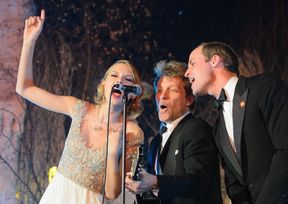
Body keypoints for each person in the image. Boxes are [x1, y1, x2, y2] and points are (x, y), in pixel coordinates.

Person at [16, 10, 144, 203]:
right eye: (114, 76)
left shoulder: (132, 132)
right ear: (103, 84)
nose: (120, 82)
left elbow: (113, 193)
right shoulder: (78, 108)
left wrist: (111, 155)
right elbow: (24, 88)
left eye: (128, 80)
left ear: (133, 93)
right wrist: (29, 42)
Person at [185, 41, 288, 204]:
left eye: (192, 63)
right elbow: (233, 183)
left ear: (215, 60)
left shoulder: (265, 87)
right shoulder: (218, 127)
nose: (187, 73)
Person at [125, 60, 222, 204]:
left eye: (172, 90)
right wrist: (134, 189)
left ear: (189, 99)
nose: (163, 96)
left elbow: (198, 182)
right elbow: (157, 193)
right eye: (159, 90)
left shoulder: (197, 129)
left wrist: (155, 181)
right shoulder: (156, 142)